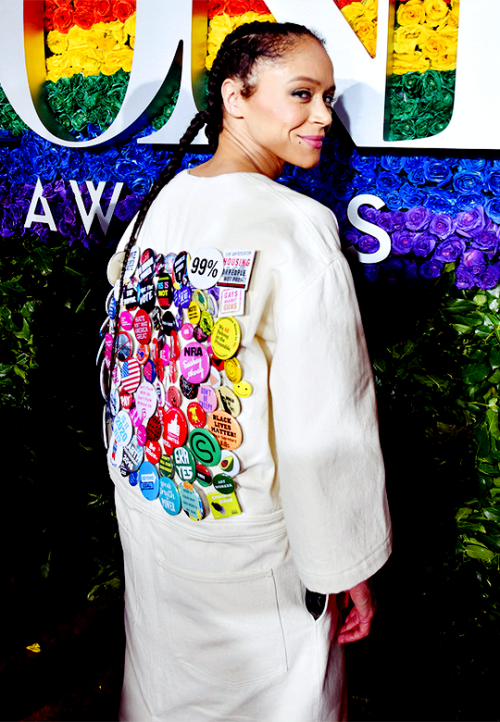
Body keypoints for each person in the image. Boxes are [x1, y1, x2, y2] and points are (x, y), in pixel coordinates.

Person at [104, 20, 391, 722]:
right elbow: (324, 424)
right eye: (302, 93)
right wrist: (343, 566)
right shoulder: (296, 225)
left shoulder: (166, 200)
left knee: (166, 690)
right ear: (236, 97)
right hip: (254, 544)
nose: (324, 115)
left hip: (159, 511)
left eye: (326, 96)